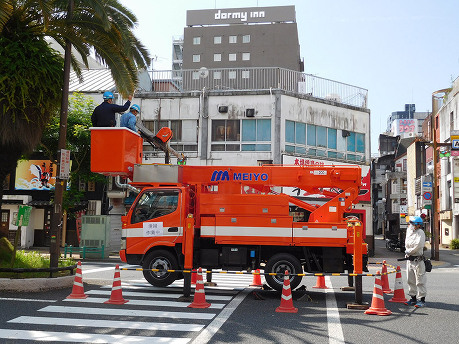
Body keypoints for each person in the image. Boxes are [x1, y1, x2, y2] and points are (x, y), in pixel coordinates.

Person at [404, 215, 427, 308]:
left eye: (413, 224)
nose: (411, 225)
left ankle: (422, 300)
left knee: (420, 280)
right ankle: (413, 298)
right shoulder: (409, 231)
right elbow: (406, 242)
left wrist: (409, 251)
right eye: (411, 223)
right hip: (409, 260)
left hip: (418, 260)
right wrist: (407, 251)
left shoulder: (420, 232)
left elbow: (419, 245)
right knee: (410, 280)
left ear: (418, 225)